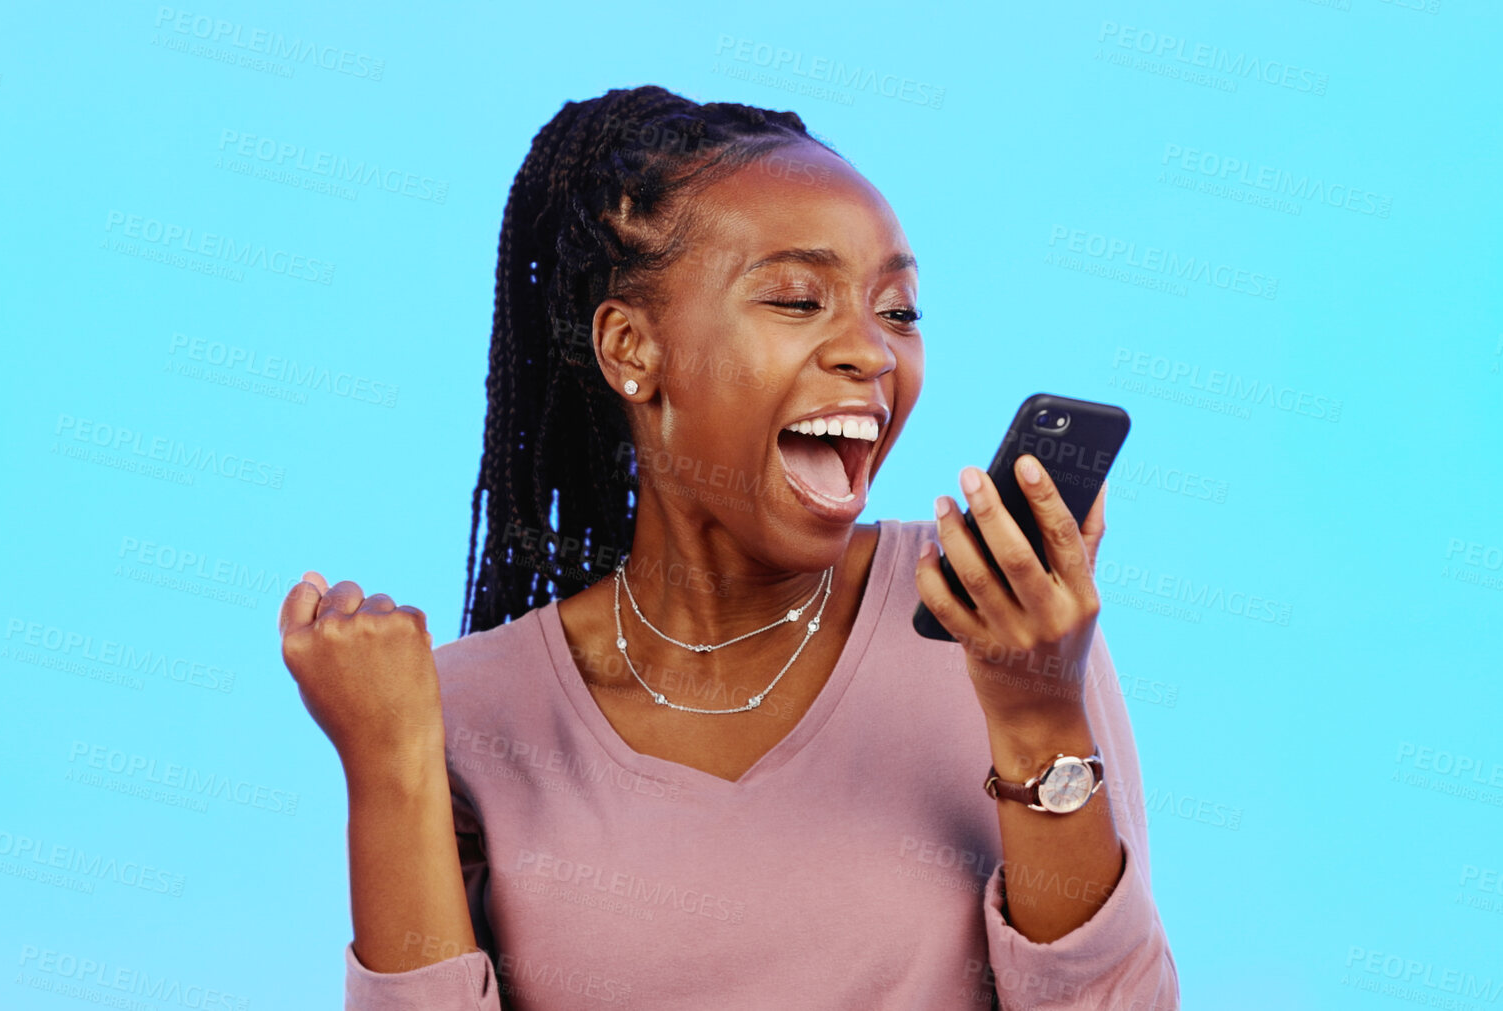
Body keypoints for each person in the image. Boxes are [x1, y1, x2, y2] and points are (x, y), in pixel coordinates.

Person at [277, 84, 1179, 1010]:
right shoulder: (462, 712)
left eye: (897, 311)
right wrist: (387, 768)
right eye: (797, 298)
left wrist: (1037, 712)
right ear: (632, 348)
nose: (870, 351)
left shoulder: (992, 620)